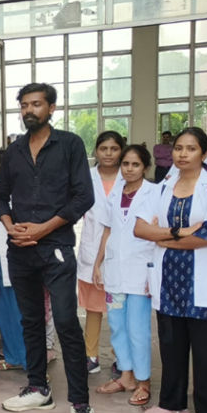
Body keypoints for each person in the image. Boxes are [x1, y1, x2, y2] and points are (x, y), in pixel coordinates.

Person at [0, 83, 96, 413]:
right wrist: (11, 228)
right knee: (30, 320)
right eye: (23, 105)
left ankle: (81, 404)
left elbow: (84, 196)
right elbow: (0, 197)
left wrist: (43, 229)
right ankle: (38, 387)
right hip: (20, 249)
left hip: (56, 246)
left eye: (36, 104)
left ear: (51, 108)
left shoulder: (69, 145)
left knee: (67, 322)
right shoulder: (15, 151)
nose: (29, 111)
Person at [133, 127, 207, 413]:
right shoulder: (160, 187)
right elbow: (139, 229)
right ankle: (174, 405)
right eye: (178, 148)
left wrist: (163, 235)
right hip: (171, 282)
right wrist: (180, 232)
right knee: (172, 346)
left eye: (191, 149)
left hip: (203, 283)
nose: (182, 154)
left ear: (204, 155)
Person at [91, 145, 156, 405]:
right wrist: (98, 263)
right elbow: (107, 231)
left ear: (145, 168)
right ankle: (126, 376)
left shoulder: (154, 193)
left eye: (135, 164)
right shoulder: (115, 192)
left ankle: (144, 381)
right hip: (115, 271)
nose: (129, 169)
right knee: (117, 325)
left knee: (138, 328)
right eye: (126, 164)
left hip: (140, 272)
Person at [77, 131, 125, 374]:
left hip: (121, 253)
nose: (108, 153)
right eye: (103, 148)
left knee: (119, 309)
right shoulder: (86, 177)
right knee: (93, 309)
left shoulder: (128, 177)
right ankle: (91, 355)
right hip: (91, 247)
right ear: (96, 151)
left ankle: (121, 357)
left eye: (114, 148)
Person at [0, 150, 26, 371]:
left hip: (10, 258)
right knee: (4, 311)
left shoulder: (16, 193)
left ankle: (25, 358)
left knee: (15, 311)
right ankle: (13, 355)